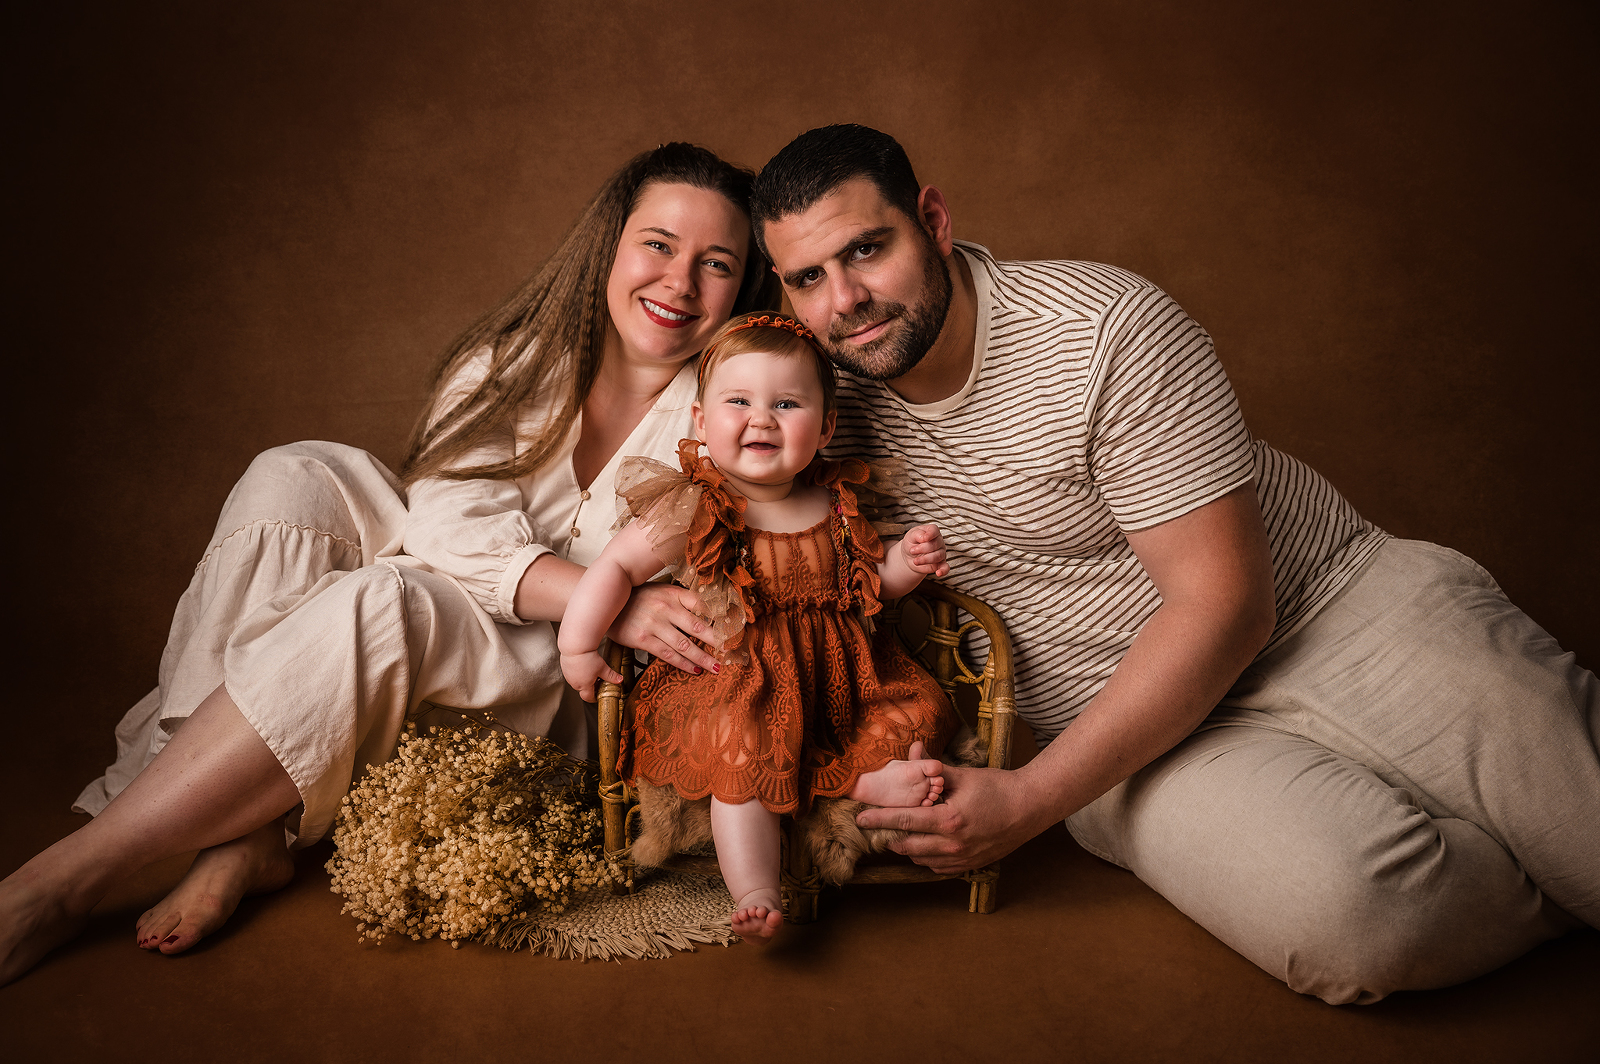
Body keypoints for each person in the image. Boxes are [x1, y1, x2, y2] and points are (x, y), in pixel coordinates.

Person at [747, 123, 1598, 1004]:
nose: (845, 298)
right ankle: (1539, 872)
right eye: (809, 277)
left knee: (1588, 831)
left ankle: (1550, 849)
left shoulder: (1101, 327)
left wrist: (1026, 801)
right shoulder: (804, 410)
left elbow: (1226, 606)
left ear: (932, 219)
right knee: (1361, 927)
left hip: (1334, 608)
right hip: (1129, 737)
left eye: (867, 249)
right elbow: (662, 469)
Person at [0, 142, 786, 985]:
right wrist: (606, 593)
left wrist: (609, 612)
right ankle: (247, 831)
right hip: (532, 594)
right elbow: (443, 512)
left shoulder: (735, 410)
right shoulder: (520, 356)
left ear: (741, 290)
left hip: (561, 676)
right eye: (658, 245)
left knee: (392, 597)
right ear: (611, 246)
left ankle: (65, 880)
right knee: (294, 474)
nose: (679, 282)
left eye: (716, 263)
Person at [559, 312, 959, 941]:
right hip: (734, 682)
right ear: (700, 421)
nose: (762, 417)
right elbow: (612, 569)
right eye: (738, 400)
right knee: (740, 757)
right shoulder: (695, 505)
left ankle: (863, 778)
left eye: (787, 403)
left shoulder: (836, 504)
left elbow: (866, 595)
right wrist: (578, 642)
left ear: (825, 426)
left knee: (906, 718)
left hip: (840, 683)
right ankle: (756, 891)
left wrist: (906, 565)